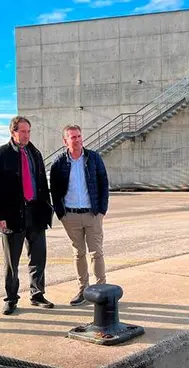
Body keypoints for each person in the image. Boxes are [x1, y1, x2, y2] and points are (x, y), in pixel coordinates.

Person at [0, 116, 53, 315]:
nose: (26, 135)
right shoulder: (1, 153)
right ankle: (11, 298)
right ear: (13, 132)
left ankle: (37, 294)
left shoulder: (35, 153)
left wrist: (46, 209)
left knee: (38, 257)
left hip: (35, 213)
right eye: (22, 131)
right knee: (11, 262)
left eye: (28, 131)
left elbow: (42, 183)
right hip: (12, 214)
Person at [49, 124, 109, 306]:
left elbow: (103, 184)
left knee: (96, 253)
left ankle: (102, 290)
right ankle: (83, 290)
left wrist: (101, 211)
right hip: (71, 215)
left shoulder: (93, 158)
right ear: (65, 141)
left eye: (79, 136)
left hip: (92, 213)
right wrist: (61, 214)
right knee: (78, 254)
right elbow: (55, 190)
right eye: (72, 137)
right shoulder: (58, 163)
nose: (77, 140)